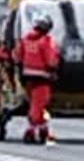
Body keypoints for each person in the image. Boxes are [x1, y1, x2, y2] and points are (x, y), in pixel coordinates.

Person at [13, 13, 61, 145]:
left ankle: (43, 129)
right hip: (43, 77)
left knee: (34, 103)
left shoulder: (26, 39)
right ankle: (32, 131)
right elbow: (51, 61)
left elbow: (17, 57)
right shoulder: (46, 41)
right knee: (39, 105)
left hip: (28, 76)